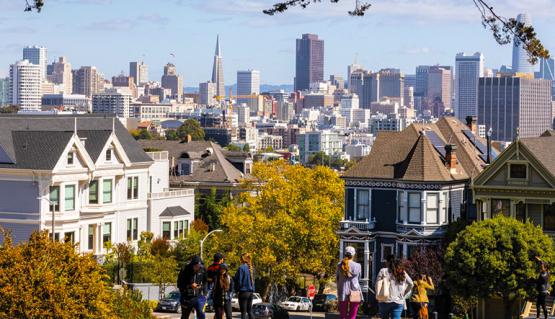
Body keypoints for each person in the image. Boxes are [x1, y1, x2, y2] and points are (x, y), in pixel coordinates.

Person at [336, 246, 363, 319]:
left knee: (343, 316)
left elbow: (337, 279)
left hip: (343, 290)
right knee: (353, 316)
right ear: (353, 255)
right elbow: (358, 278)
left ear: (345, 254)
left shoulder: (339, 265)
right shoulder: (358, 266)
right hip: (355, 290)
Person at [234, 252, 255, 319]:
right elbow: (253, 281)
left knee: (243, 313)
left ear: (242, 259)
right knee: (250, 311)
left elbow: (239, 280)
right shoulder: (251, 268)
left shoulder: (241, 268)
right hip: (250, 292)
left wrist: (236, 290)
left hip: (243, 292)